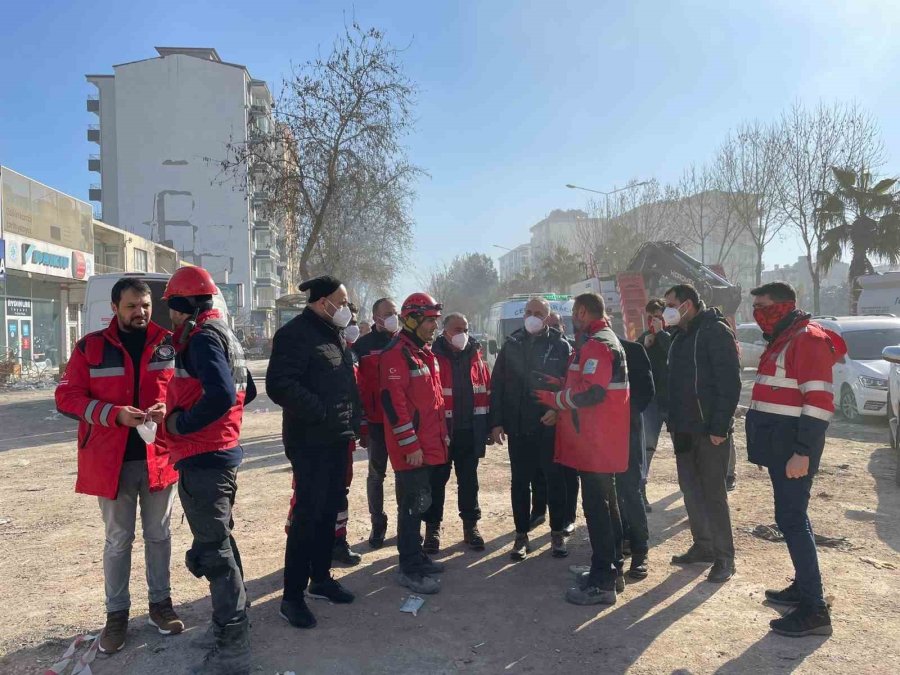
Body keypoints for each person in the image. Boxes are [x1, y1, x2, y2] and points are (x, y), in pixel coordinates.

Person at [55, 278, 182, 656]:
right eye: (131, 306)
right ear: (114, 307)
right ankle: (117, 617)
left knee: (159, 536)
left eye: (144, 305)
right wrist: (113, 415)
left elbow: (185, 390)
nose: (140, 312)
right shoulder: (91, 347)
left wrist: (167, 408)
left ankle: (161, 606)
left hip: (158, 457)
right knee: (118, 541)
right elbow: (66, 396)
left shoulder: (168, 343)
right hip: (111, 463)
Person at [163, 266, 255, 674]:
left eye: (173, 308)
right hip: (221, 452)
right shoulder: (223, 333)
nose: (171, 317)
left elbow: (221, 395)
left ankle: (232, 645)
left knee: (214, 551)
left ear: (186, 305)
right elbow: (245, 391)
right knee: (220, 540)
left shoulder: (201, 340)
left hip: (204, 458)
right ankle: (233, 621)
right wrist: (219, 422)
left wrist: (182, 423)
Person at [267, 276, 360, 630]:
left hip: (338, 438)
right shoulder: (296, 333)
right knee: (307, 518)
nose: (348, 308)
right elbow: (279, 384)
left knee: (328, 513)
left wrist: (355, 419)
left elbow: (346, 384)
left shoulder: (332, 333)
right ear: (324, 302)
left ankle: (320, 579)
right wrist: (319, 411)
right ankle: (291, 598)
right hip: (310, 442)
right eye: (343, 300)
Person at [747, 282, 837, 637]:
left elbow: (819, 404)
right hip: (781, 449)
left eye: (764, 306)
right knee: (791, 519)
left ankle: (814, 609)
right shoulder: (785, 337)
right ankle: (804, 588)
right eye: (754, 307)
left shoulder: (807, 339)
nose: (758, 314)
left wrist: (802, 452)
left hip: (793, 451)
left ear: (784, 306)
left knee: (792, 520)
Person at [534, 293, 630, 605]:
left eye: (575, 312)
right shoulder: (599, 340)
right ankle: (610, 571)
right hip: (599, 441)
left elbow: (593, 392)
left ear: (582, 311)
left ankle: (602, 584)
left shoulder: (597, 343)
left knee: (599, 511)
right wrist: (560, 382)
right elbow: (586, 381)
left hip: (596, 443)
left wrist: (555, 400)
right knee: (606, 506)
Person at [664, 284, 741, 584]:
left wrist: (720, 426)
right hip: (683, 429)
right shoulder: (679, 337)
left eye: (671, 304)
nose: (667, 309)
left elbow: (729, 384)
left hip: (710, 432)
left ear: (688, 304)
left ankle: (725, 557)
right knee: (691, 490)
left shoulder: (715, 332)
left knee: (713, 495)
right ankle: (703, 546)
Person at [490, 296, 573, 560]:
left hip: (549, 425)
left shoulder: (560, 346)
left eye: (538, 312)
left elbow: (570, 384)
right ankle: (521, 535)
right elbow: (498, 385)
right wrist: (497, 421)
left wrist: (557, 410)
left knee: (554, 480)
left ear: (548, 317)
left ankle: (557, 534)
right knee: (519, 482)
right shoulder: (512, 344)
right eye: (529, 312)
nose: (533, 316)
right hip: (518, 426)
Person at [283, 304, 363, 567]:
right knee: (308, 496)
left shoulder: (347, 351)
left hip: (343, 436)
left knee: (340, 491)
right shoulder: (310, 344)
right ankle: (303, 542)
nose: (350, 322)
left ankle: (336, 541)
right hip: (316, 438)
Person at [380, 292, 449, 595]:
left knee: (421, 504)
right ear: (413, 319)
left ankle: (417, 557)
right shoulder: (397, 354)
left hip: (429, 446)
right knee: (411, 507)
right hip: (412, 450)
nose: (435, 326)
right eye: (430, 320)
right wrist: (411, 447)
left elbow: (433, 403)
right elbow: (395, 407)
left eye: (436, 320)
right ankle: (408, 568)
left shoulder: (423, 353)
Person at [427, 312, 492, 552]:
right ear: (444, 331)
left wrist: (488, 426)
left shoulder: (476, 357)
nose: (462, 334)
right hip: (441, 433)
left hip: (469, 431)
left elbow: (486, 392)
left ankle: (471, 527)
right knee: (436, 482)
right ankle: (432, 530)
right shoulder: (432, 357)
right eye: (457, 329)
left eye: (465, 328)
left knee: (469, 482)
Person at [353, 297, 401, 548]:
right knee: (376, 475)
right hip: (376, 423)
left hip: (403, 422)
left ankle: (407, 525)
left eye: (395, 312)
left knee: (406, 475)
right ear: (376, 317)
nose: (393, 316)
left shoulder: (403, 342)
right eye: (388, 313)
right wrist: (361, 425)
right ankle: (378, 524)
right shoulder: (362, 347)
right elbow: (357, 389)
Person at [617, 338, 654, 581]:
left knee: (631, 490)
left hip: (626, 431)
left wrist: (623, 415)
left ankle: (640, 551)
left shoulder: (633, 350)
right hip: (599, 436)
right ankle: (620, 542)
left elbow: (646, 391)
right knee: (609, 493)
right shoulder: (586, 350)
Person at [637, 299, 671, 512]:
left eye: (658, 317)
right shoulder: (645, 337)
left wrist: (662, 335)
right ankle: (641, 491)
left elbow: (675, 354)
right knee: (646, 446)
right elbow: (635, 360)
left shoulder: (675, 334)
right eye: (651, 317)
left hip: (674, 400)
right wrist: (644, 345)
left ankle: (692, 496)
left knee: (686, 449)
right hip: (652, 401)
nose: (654, 321)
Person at [547, 311, 578, 530]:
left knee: (569, 473)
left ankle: (569, 517)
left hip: (568, 420)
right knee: (548, 472)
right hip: (546, 420)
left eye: (556, 325)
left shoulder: (574, 351)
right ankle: (543, 512)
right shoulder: (539, 350)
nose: (553, 329)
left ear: (563, 327)